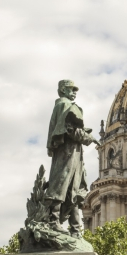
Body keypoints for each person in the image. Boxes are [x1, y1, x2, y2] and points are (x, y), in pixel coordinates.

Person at [45, 80, 98, 236]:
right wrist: (88, 137)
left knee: (74, 189)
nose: (74, 92)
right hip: (67, 152)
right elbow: (69, 129)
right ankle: (53, 221)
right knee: (61, 184)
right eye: (71, 89)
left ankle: (75, 229)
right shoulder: (63, 105)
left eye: (75, 89)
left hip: (73, 151)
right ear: (62, 90)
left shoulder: (65, 105)